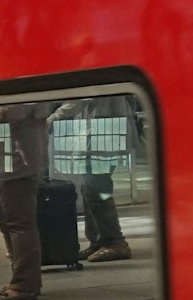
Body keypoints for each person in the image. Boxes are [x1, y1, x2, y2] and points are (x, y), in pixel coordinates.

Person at [0, 102, 51, 300]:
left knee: (19, 224)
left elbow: (11, 112)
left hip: (17, 159)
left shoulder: (25, 86)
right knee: (4, 222)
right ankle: (19, 276)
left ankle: (25, 284)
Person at [50, 98, 133, 262]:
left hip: (105, 133)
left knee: (95, 187)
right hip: (96, 133)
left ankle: (115, 242)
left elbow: (80, 98)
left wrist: (51, 120)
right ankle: (99, 241)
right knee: (89, 189)